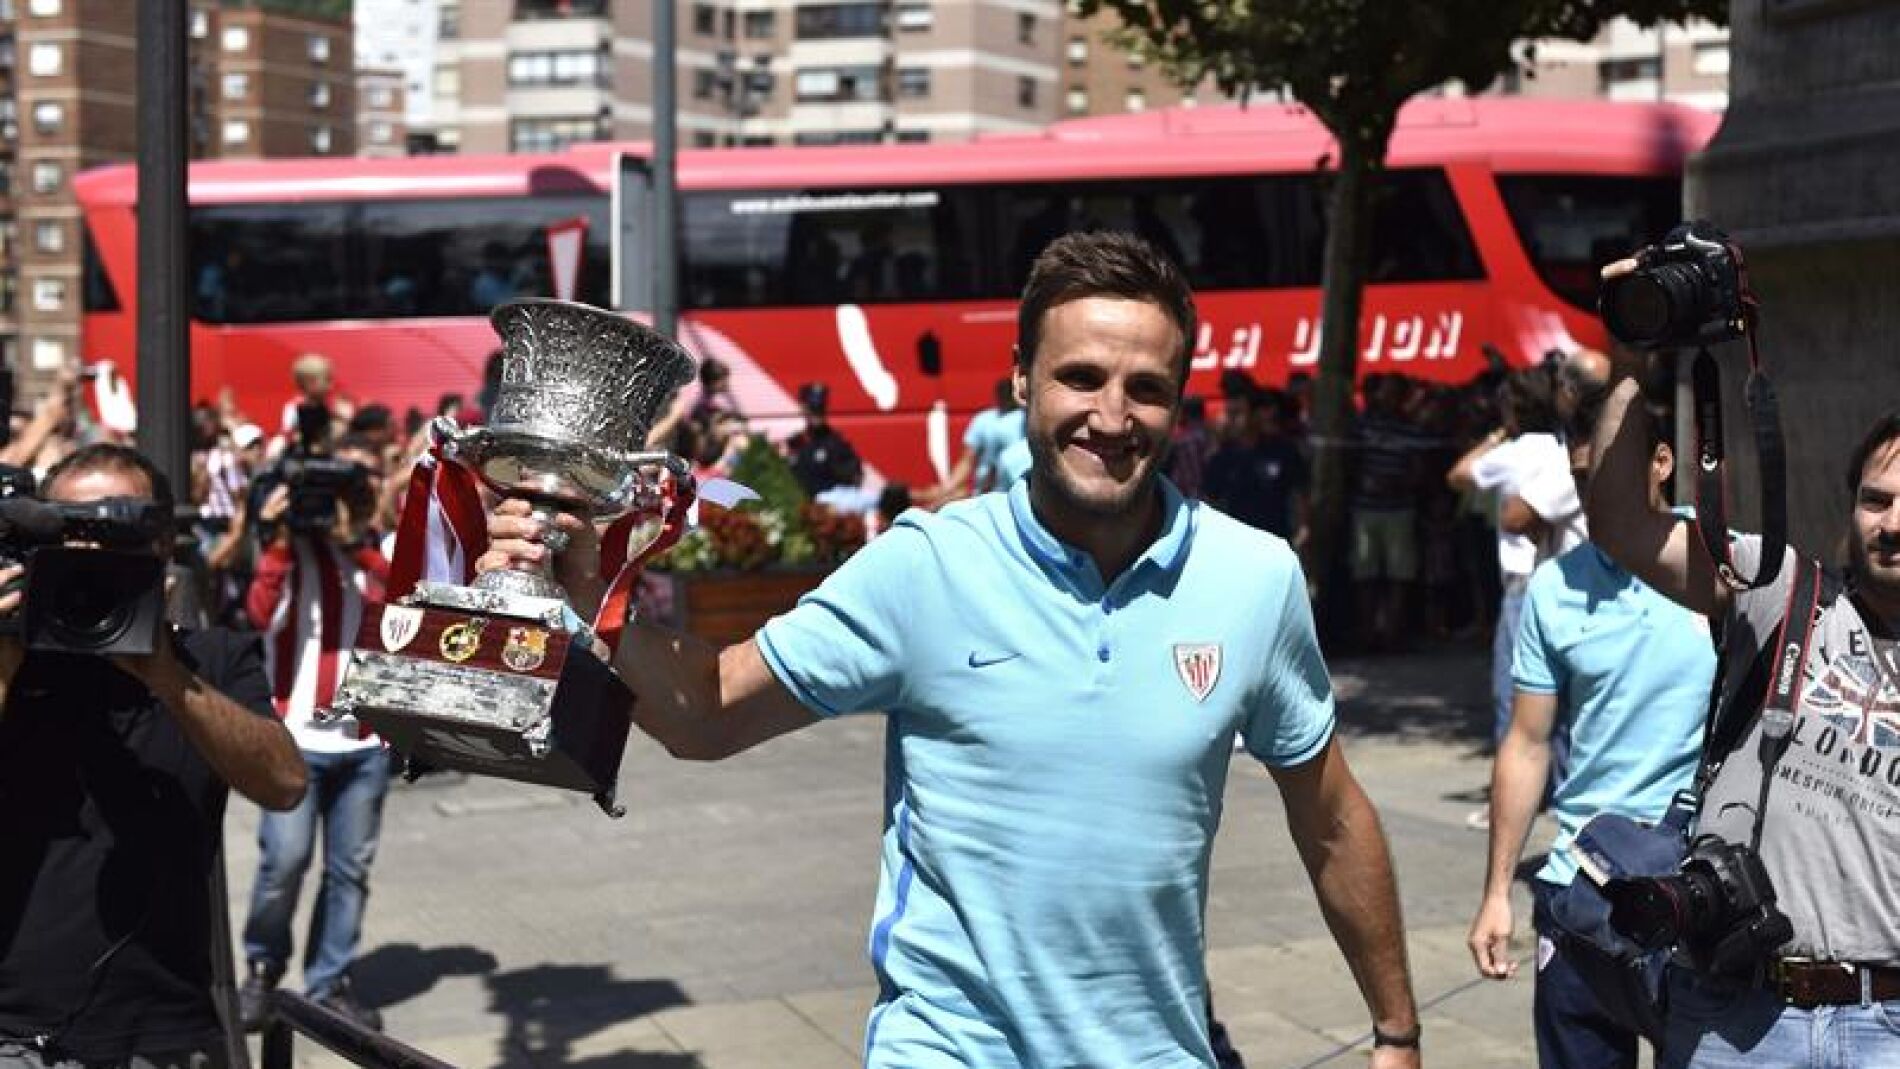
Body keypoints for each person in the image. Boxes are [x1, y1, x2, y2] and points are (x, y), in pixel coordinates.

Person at [482, 231, 1423, 1068]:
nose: (1111, 413)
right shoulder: (926, 566)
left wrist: (1397, 1033)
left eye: (1147, 388)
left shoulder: (1251, 577)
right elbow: (712, 711)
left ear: (1179, 400)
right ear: (1021, 379)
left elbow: (1332, 815)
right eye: (1080, 377)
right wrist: (588, 596)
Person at [1589, 364, 1900, 1068]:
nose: (1892, 525)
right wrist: (1637, 361)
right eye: (1875, 500)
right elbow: (1624, 526)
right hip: (1741, 1019)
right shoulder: (1782, 591)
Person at [0, 444, 306, 1068]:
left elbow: (284, 784)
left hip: (162, 1034)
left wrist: (165, 676)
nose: (91, 557)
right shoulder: (10, 653)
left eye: (116, 532)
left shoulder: (210, 659)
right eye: (69, 534)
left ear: (163, 545)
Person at [1467, 390, 1714, 1069]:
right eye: (1581, 479)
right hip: (1580, 892)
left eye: (1607, 473)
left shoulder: (1718, 566)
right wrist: (1495, 894)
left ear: (1662, 461)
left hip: (1689, 897)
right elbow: (1526, 741)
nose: (1593, 493)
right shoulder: (1553, 588)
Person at [236, 437, 392, 1031]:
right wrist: (277, 537)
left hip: (362, 740)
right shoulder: (287, 551)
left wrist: (358, 540)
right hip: (294, 738)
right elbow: (258, 613)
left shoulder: (378, 552)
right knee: (285, 860)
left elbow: (397, 606)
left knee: (349, 869)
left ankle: (329, 983)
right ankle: (262, 968)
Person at [1448, 366, 1586, 759]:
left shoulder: (1512, 453)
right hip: (1561, 578)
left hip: (1522, 587)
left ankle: (1514, 792)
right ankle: (1557, 789)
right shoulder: (1564, 450)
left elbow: (1458, 475)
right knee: (1559, 696)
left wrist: (1496, 435)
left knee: (1513, 694)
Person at [1203, 387, 1310, 548]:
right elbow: (1211, 501)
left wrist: (1303, 528)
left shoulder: (1282, 450)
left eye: (1237, 413)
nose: (1231, 420)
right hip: (1239, 545)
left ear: (1254, 415)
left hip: (1278, 541)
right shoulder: (1221, 458)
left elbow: (1301, 491)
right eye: (1229, 413)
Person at [926, 378, 1026, 504]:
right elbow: (967, 460)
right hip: (986, 490)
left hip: (1003, 489)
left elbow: (993, 468)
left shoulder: (1022, 420)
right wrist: (948, 489)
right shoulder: (984, 419)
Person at [784, 382, 863, 498]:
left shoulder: (837, 444)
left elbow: (854, 478)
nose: (817, 416)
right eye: (812, 409)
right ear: (803, 408)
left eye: (819, 410)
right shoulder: (794, 443)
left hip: (828, 510)